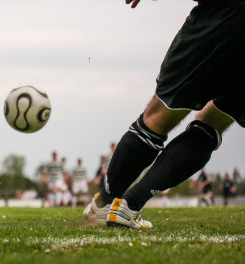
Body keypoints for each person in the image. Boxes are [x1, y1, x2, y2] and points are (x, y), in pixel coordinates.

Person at [84, 0, 244, 228]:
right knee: (213, 123)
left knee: (157, 117)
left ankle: (105, 203)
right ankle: (129, 205)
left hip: (221, 15)